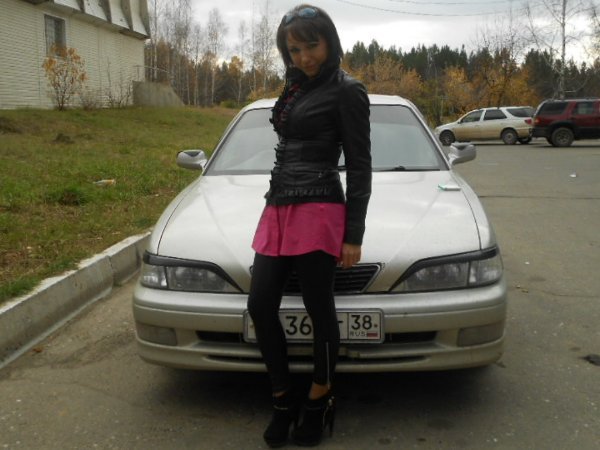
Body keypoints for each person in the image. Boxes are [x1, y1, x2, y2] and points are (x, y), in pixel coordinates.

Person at [246, 4, 371, 448]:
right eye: (293, 50)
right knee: (260, 304)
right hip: (279, 203)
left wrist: (353, 234)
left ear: (329, 41)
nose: (303, 57)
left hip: (319, 205)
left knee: (320, 308)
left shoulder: (347, 91)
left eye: (310, 46)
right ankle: (283, 399)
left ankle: (318, 397)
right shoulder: (295, 85)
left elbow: (359, 165)